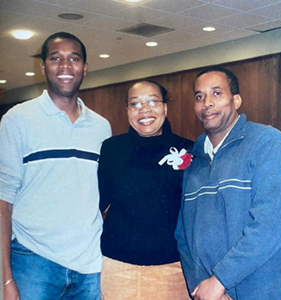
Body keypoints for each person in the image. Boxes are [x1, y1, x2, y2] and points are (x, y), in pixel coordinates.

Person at [0, 32, 111, 300]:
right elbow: (3, 200)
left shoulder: (102, 127)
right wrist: (5, 278)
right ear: (43, 67)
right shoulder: (17, 120)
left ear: (84, 67)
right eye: (55, 58)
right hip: (33, 262)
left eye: (73, 58)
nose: (64, 66)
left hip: (90, 265)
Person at [175, 66, 281, 300]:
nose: (207, 103)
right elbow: (184, 233)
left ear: (237, 100)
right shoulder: (194, 160)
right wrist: (202, 286)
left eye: (217, 93)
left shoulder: (269, 144)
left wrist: (220, 280)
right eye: (199, 96)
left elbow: (270, 226)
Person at [98, 80, 193, 300]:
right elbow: (98, 202)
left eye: (152, 101)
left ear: (165, 108)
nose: (145, 110)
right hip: (118, 267)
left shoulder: (188, 149)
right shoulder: (112, 148)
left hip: (173, 268)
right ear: (128, 110)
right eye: (135, 104)